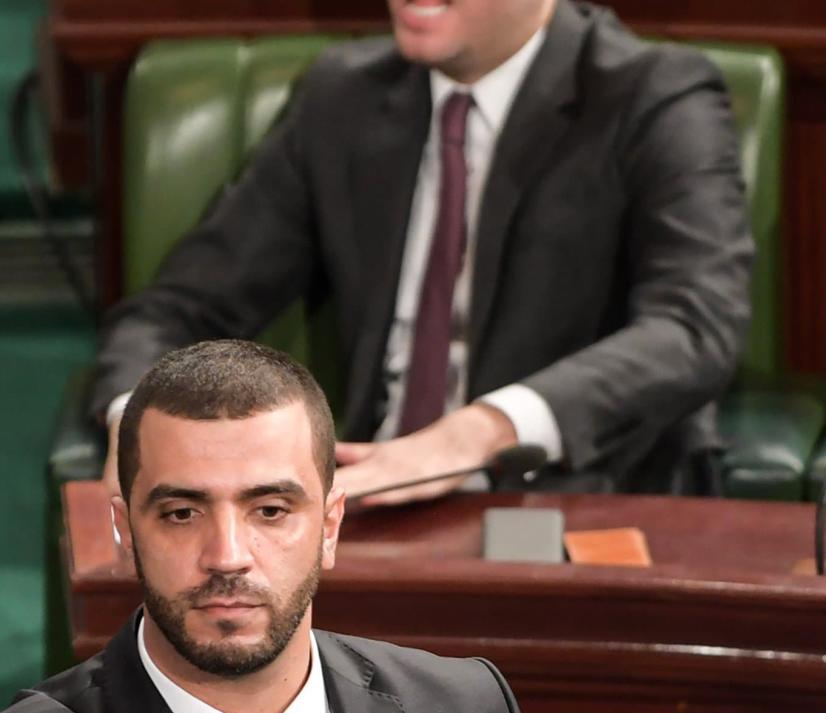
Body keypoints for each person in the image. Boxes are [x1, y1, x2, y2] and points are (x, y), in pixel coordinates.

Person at [90, 0, 753, 506]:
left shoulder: (654, 97)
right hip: (365, 505)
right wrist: (139, 415)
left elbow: (696, 325)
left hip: (571, 501)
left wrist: (481, 431)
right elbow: (179, 307)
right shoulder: (341, 97)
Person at [0, 339, 549, 713]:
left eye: (271, 511)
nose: (227, 555)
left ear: (330, 523)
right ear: (125, 529)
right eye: (181, 513)